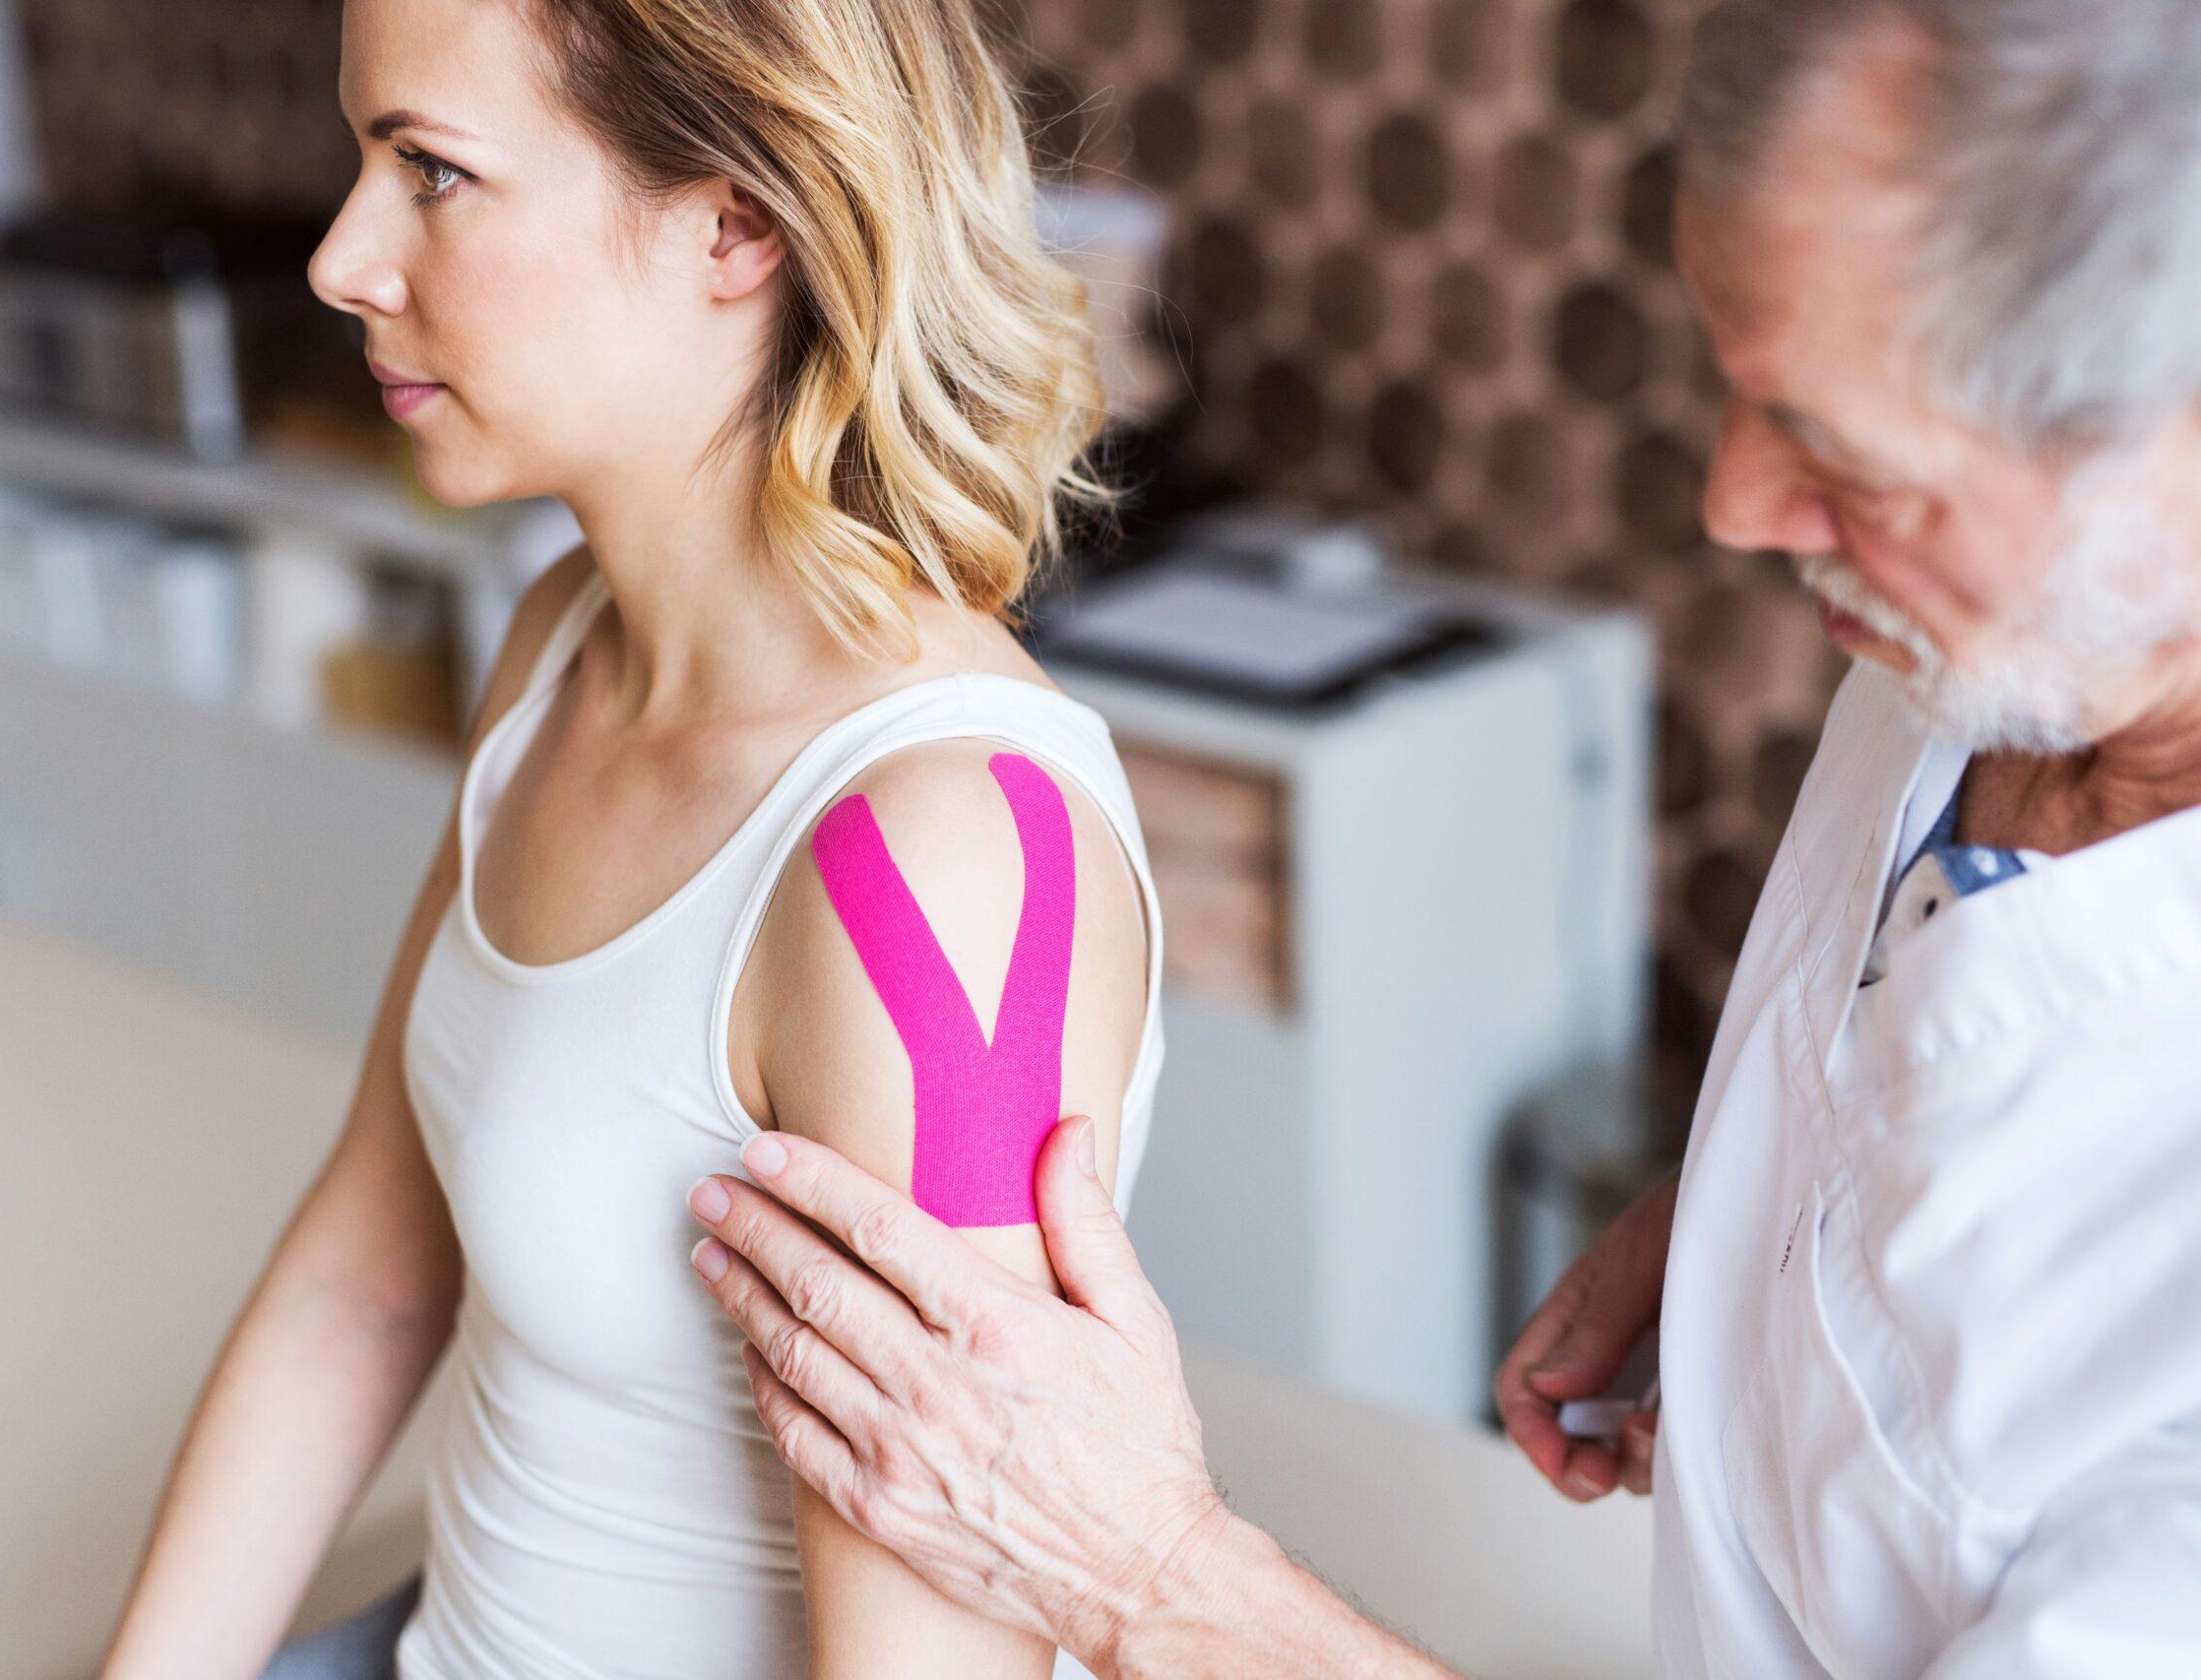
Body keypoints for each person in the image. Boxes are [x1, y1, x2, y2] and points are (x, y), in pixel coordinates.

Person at [686, 0, 2201, 1673]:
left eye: (1847, 460)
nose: (1737, 508)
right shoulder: (2018, 641)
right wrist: (1784, 1227)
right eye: (1749, 393)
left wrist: (1151, 1578)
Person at [91, 0, 1170, 1673]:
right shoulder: (560, 644)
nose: (340, 256)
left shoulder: (934, 860)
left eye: (432, 173)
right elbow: (365, 1285)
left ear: (737, 220)